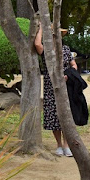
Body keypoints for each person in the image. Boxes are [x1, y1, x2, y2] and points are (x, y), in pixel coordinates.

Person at [34, 24, 78, 157]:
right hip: (50, 86)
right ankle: (58, 145)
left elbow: (74, 64)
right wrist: (41, 28)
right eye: (53, 35)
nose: (55, 37)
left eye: (57, 35)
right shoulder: (46, 50)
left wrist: (69, 74)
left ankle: (66, 145)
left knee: (66, 115)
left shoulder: (65, 49)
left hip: (66, 86)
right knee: (53, 115)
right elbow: (37, 44)